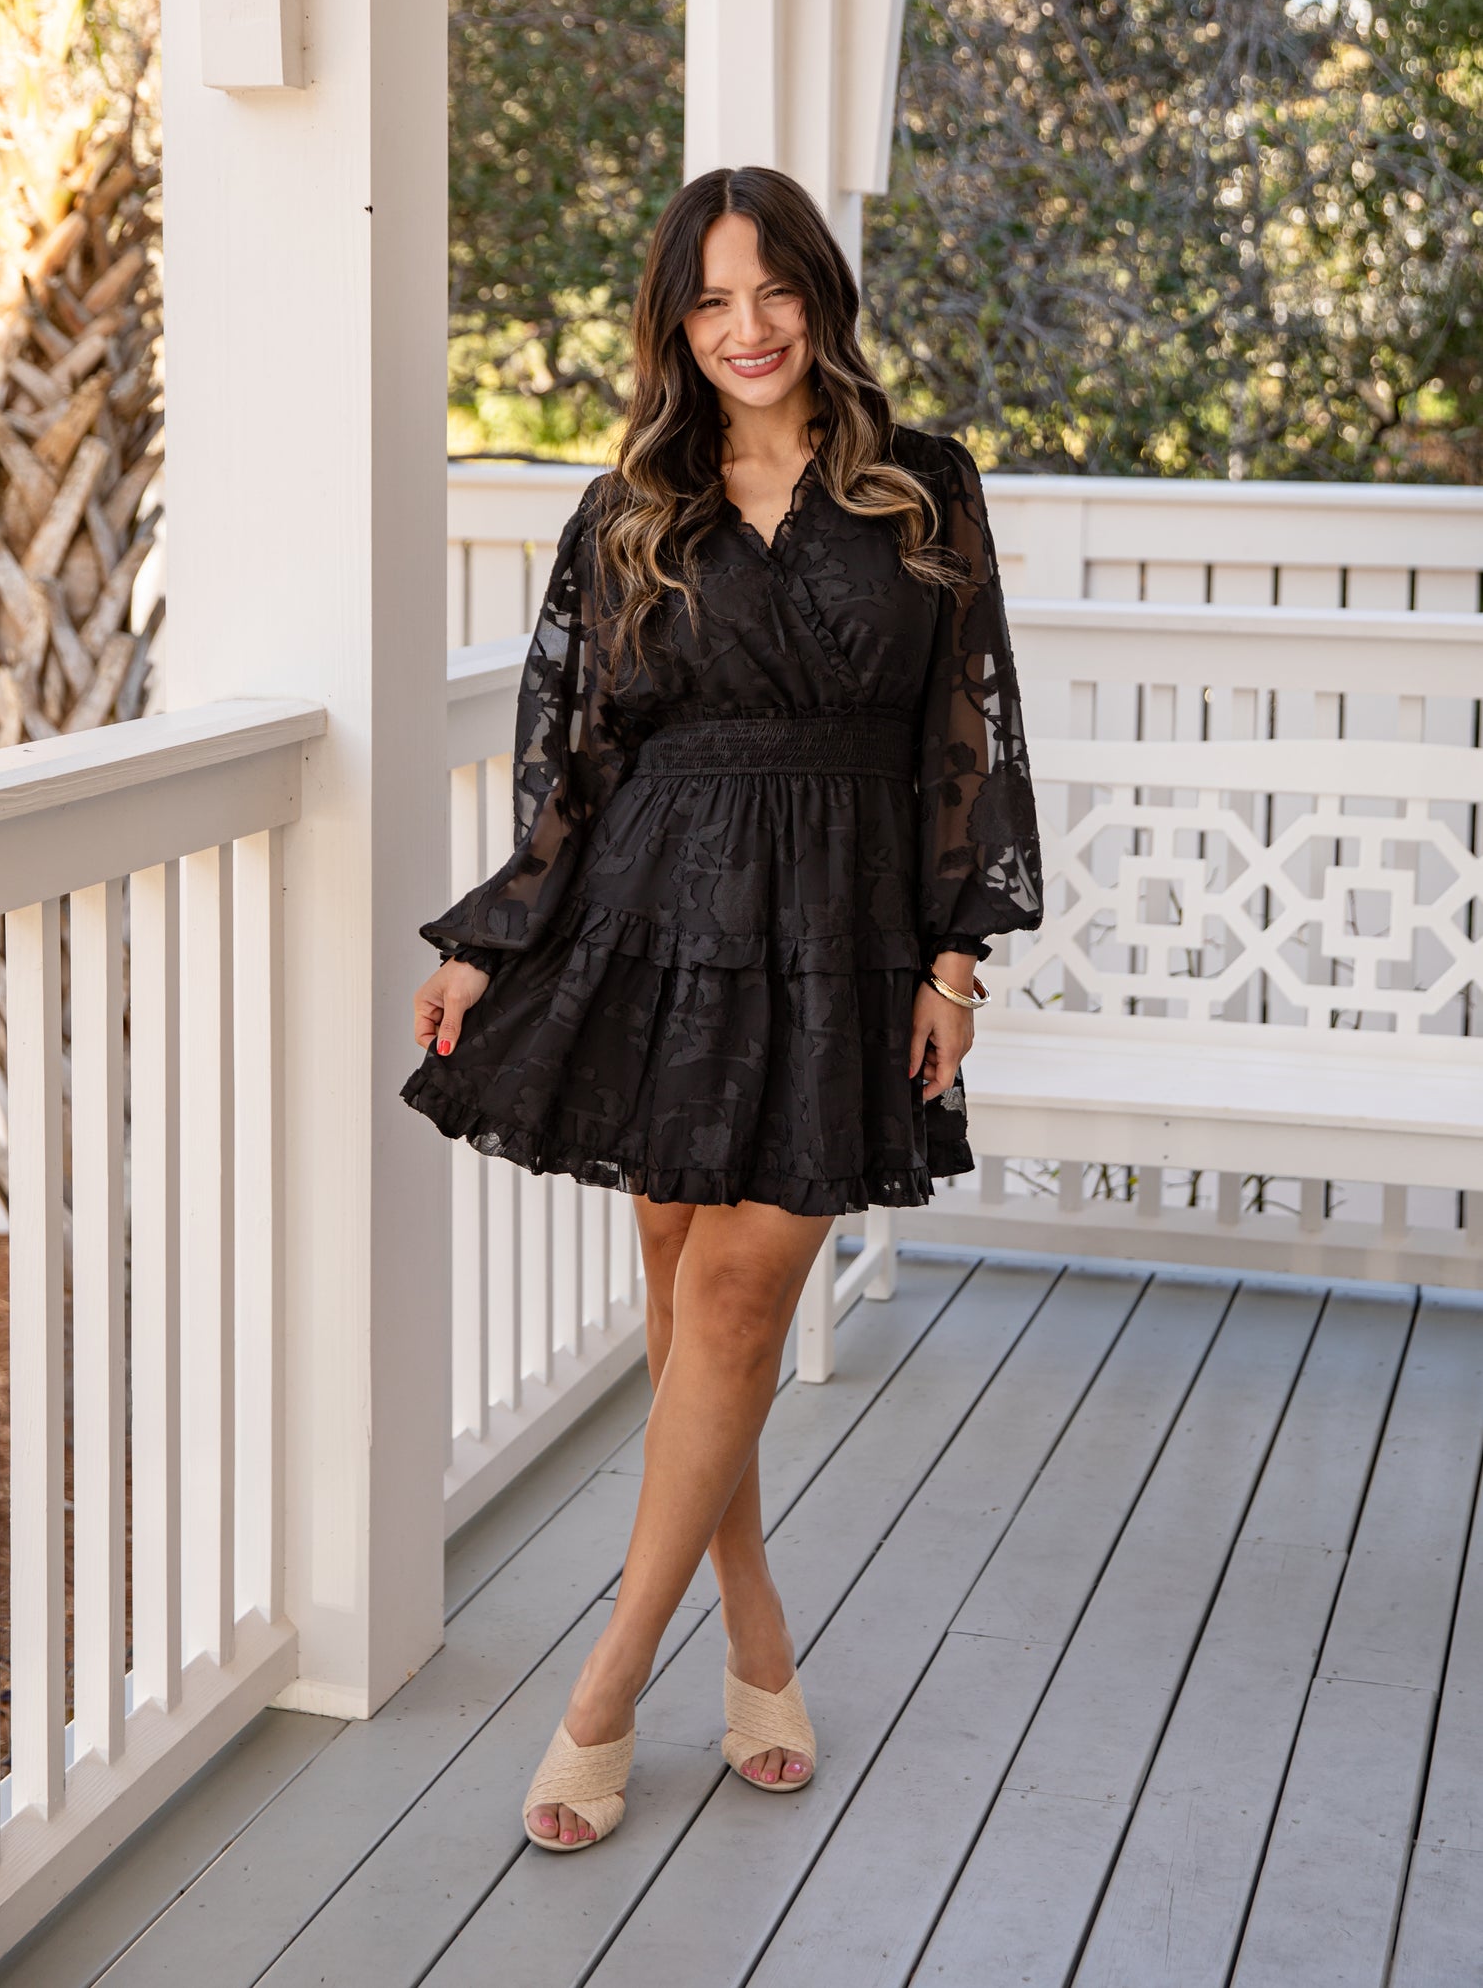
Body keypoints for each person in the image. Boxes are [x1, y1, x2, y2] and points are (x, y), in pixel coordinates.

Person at [399, 166, 1043, 1854]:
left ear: (820, 296)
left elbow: (964, 736)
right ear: (674, 324)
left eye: (772, 291)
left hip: (840, 928)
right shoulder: (631, 505)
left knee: (747, 1285)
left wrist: (952, 960)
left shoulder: (924, 488)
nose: (745, 328)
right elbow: (571, 759)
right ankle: (758, 1642)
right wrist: (493, 939)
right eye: (709, 300)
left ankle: (606, 1682)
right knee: (695, 1296)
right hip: (659, 921)